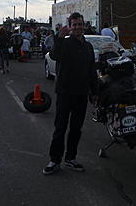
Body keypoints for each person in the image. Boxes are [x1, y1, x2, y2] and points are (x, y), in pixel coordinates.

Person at [43, 12, 99, 175]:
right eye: (74, 25)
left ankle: (70, 158)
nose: (77, 27)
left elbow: (91, 71)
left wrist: (95, 92)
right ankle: (54, 160)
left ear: (84, 25)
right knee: (60, 128)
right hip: (64, 93)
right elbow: (54, 55)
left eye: (80, 24)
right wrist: (59, 38)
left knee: (76, 128)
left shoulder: (88, 46)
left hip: (81, 94)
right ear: (70, 26)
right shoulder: (64, 44)